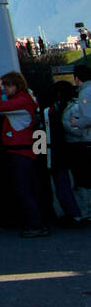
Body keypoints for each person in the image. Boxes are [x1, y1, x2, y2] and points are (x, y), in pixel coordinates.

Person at [0, 71, 49, 237]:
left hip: (20, 150)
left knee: (24, 189)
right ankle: (37, 221)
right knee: (30, 188)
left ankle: (35, 224)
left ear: (14, 86)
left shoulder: (21, 101)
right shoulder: (26, 99)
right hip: (25, 149)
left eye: (6, 87)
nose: (5, 90)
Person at [62, 65, 91, 221]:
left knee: (84, 179)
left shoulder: (85, 93)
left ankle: (87, 211)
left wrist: (75, 123)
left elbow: (88, 118)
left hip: (85, 140)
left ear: (77, 78)